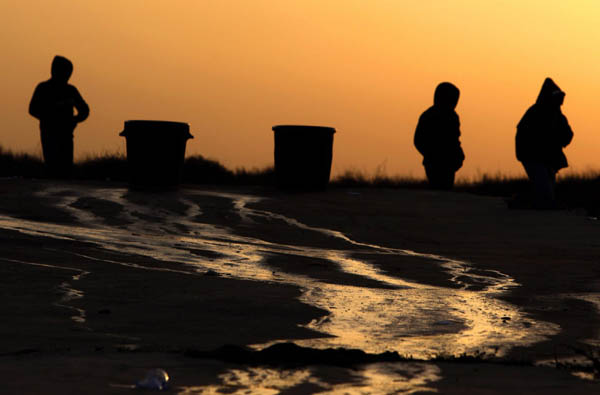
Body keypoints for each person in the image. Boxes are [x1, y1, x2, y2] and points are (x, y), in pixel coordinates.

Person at [515, 78, 573, 209]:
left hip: (548, 159)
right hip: (533, 157)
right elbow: (522, 135)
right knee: (544, 190)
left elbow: (568, 134)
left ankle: (526, 204)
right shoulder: (535, 113)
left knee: (546, 191)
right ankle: (523, 205)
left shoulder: (557, 115)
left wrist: (559, 140)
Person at [29, 55, 89, 178]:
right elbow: (32, 109)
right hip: (49, 133)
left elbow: (85, 110)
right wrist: (49, 115)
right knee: (52, 166)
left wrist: (74, 120)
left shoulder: (70, 90)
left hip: (66, 134)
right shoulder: (44, 88)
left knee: (66, 168)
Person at [414, 82, 465, 189]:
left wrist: (458, 154)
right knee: (438, 190)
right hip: (434, 164)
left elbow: (455, 138)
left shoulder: (453, 117)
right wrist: (431, 154)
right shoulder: (429, 116)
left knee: (446, 192)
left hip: (449, 163)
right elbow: (418, 140)